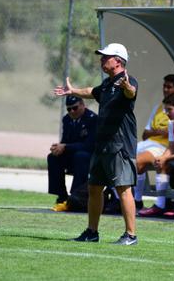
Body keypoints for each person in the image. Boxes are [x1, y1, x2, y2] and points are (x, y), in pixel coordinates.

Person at [54, 43, 138, 245]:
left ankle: (131, 235)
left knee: (123, 189)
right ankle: (92, 232)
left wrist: (127, 87)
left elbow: (131, 92)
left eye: (105, 57)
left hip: (119, 145)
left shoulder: (127, 80)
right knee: (94, 188)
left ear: (118, 61)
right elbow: (92, 91)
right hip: (103, 145)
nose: (101, 60)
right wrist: (73, 90)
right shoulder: (108, 84)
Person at [133, 74, 174, 211]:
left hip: (167, 147)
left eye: (169, 87)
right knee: (121, 158)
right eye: (164, 86)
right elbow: (145, 134)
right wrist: (160, 132)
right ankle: (126, 200)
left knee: (139, 161)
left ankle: (163, 204)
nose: (165, 90)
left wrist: (162, 133)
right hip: (151, 144)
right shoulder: (158, 107)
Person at [47, 96, 97, 212]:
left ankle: (76, 195)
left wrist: (65, 146)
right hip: (73, 155)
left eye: (75, 108)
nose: (72, 112)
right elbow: (66, 140)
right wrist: (58, 148)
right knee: (53, 157)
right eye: (69, 109)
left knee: (81, 156)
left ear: (83, 105)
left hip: (89, 157)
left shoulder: (92, 119)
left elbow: (89, 145)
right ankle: (61, 195)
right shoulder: (67, 119)